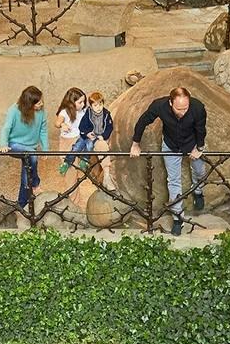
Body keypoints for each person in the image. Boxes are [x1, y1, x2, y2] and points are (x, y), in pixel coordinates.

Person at [128, 85, 207, 235]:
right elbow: (143, 121)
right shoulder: (160, 106)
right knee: (173, 180)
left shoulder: (198, 108)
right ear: (171, 103)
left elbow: (201, 129)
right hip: (171, 144)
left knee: (200, 170)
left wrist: (199, 148)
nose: (183, 112)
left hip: (193, 143)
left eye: (186, 108)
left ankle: (198, 191)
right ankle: (178, 218)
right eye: (179, 109)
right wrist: (135, 144)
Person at [3, 85, 48, 216]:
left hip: (30, 147)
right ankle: (35, 183)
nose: (42, 104)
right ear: (29, 103)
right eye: (38, 102)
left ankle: (22, 204)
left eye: (41, 100)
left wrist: (45, 148)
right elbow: (6, 128)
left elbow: (43, 130)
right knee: (32, 156)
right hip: (14, 145)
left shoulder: (41, 112)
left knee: (26, 171)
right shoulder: (14, 110)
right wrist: (3, 144)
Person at [74, 90, 114, 183]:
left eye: (100, 104)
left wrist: (103, 136)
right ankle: (106, 175)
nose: (98, 108)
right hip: (91, 137)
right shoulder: (88, 115)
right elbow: (82, 127)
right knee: (93, 145)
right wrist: (87, 133)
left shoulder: (106, 114)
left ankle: (107, 175)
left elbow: (109, 127)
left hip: (101, 137)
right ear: (91, 106)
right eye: (95, 105)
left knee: (102, 145)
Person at [55, 88, 86, 174]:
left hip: (79, 140)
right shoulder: (64, 112)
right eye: (80, 102)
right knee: (70, 172)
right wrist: (62, 124)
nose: (83, 104)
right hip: (67, 141)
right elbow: (57, 123)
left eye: (84, 101)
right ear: (71, 103)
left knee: (78, 171)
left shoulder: (83, 111)